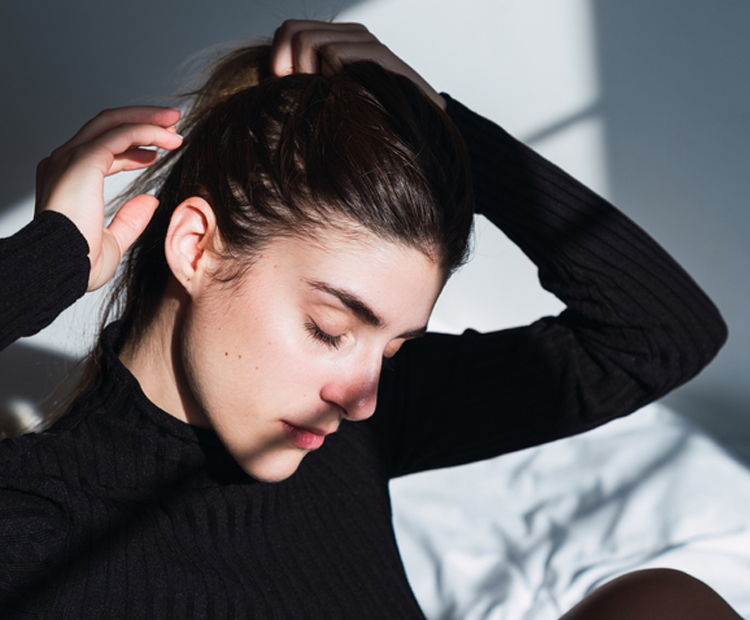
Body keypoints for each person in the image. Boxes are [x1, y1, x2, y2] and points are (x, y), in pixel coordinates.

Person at [0, 19, 737, 619]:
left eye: (394, 346)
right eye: (329, 327)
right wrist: (50, 259)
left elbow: (660, 336)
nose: (362, 395)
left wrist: (449, 129)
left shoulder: (359, 425)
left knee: (665, 604)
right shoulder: (39, 524)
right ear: (196, 247)